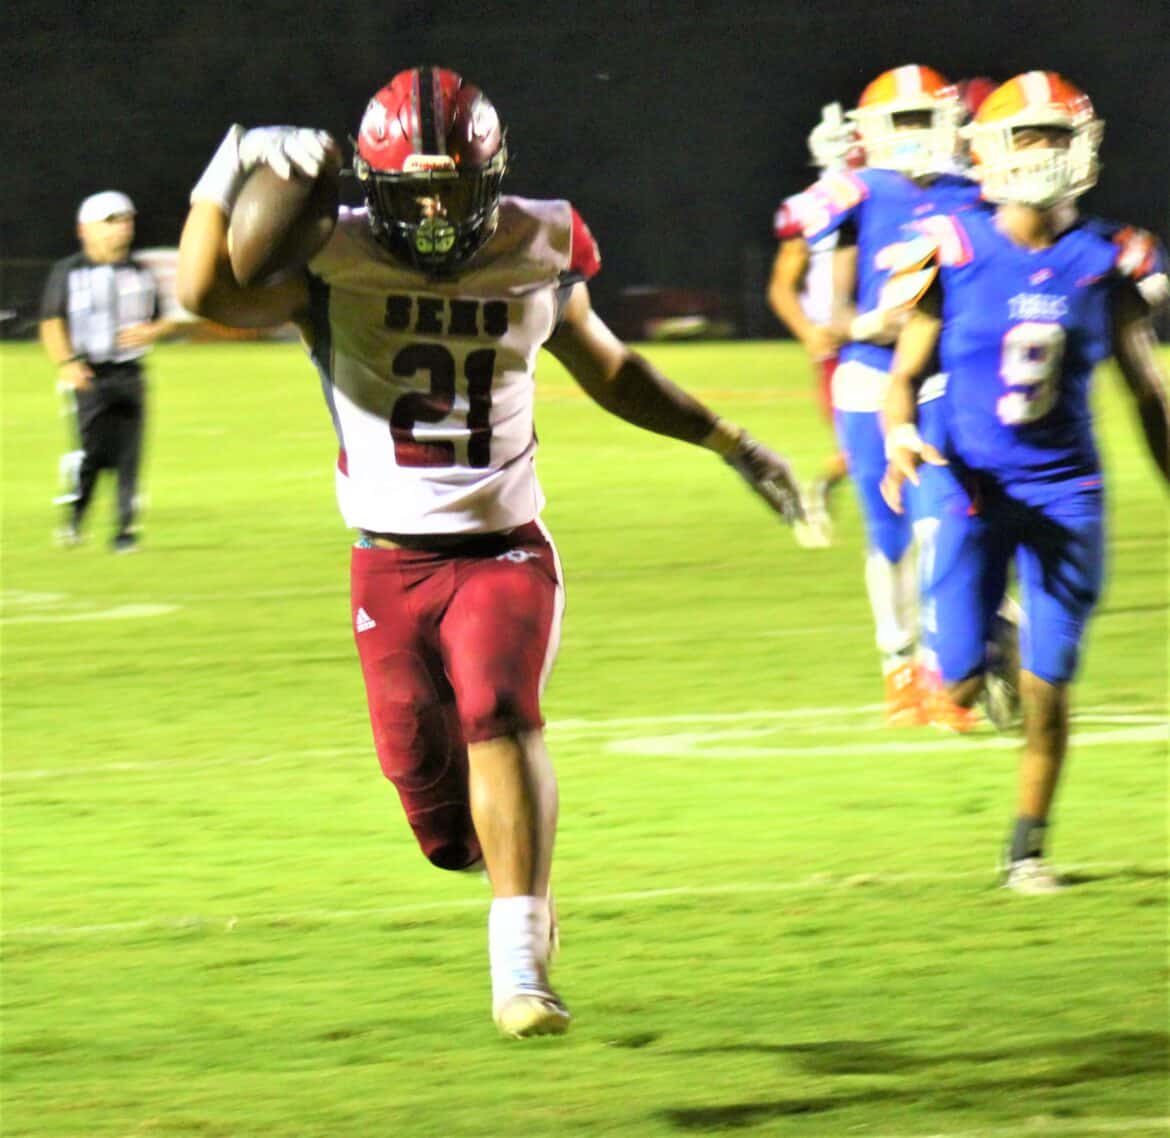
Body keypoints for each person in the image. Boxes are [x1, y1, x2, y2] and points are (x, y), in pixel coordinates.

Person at [175, 67, 803, 1038]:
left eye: (454, 187)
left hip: (503, 548)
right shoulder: (334, 254)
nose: (434, 210)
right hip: (388, 561)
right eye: (414, 191)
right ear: (374, 187)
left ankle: (521, 967)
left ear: (493, 174)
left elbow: (611, 370)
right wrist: (231, 161)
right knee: (434, 817)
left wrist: (732, 442)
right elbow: (203, 289)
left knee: (499, 713)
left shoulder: (537, 240)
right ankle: (511, 877)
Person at [881, 71, 1170, 892]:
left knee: (1050, 684)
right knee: (958, 684)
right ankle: (988, 643)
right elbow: (904, 375)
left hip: (1066, 492)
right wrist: (899, 436)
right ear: (990, 150)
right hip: (968, 483)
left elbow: (1147, 392)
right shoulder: (953, 244)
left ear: (1085, 148)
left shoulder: (1112, 258)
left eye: (1056, 135)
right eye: (1027, 135)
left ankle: (1027, 852)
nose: (1042, 152)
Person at [791, 64, 983, 726]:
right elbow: (834, 316)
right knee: (891, 533)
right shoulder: (857, 194)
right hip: (873, 377)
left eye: (921, 117)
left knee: (947, 526)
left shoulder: (975, 194)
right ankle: (899, 665)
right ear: (870, 130)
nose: (911, 132)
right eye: (899, 120)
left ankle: (947, 665)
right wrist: (869, 324)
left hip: (946, 380)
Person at [39, 191, 178, 551]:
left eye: (126, 220)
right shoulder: (68, 271)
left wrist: (152, 331)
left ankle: (125, 532)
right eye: (111, 221)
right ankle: (75, 519)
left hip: (130, 373)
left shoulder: (140, 271)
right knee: (90, 454)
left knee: (130, 455)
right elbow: (52, 322)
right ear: (85, 229)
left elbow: (165, 319)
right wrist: (67, 363)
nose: (122, 228)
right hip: (88, 375)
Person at [767, 103, 859, 548]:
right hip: (839, 343)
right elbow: (780, 288)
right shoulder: (810, 209)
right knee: (865, 443)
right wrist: (809, 334)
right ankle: (821, 488)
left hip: (888, 334)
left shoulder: (888, 197)